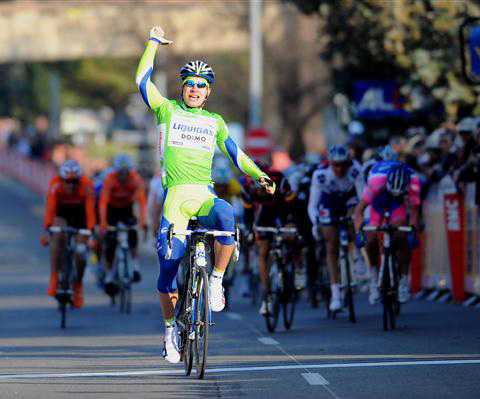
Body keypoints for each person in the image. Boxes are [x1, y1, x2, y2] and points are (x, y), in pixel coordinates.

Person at [135, 26, 275, 364]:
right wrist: (153, 44)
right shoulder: (166, 110)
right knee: (167, 274)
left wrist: (259, 175)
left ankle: (215, 281)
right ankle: (170, 332)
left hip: (203, 195)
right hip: (175, 201)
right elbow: (141, 80)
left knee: (227, 215)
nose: (195, 89)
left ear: (208, 92)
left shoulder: (215, 121)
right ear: (182, 88)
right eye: (190, 84)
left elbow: (235, 153)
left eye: (201, 85)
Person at [353, 161, 421, 305]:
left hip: (398, 203)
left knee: (402, 234)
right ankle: (373, 275)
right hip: (378, 200)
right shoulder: (376, 180)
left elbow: (414, 211)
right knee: (370, 239)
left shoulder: (414, 180)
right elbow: (359, 211)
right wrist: (359, 232)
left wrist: (412, 232)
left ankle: (403, 280)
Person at [241, 160, 300, 315]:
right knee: (263, 250)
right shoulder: (247, 185)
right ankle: (267, 296)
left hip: (283, 209)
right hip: (263, 216)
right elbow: (248, 213)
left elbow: (293, 204)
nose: (259, 190)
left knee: (292, 237)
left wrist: (292, 224)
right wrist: (248, 230)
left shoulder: (278, 178)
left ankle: (296, 270)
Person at [307, 145, 361, 311]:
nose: (339, 169)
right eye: (335, 165)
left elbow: (363, 199)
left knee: (354, 217)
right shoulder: (320, 174)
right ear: (330, 163)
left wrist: (359, 221)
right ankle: (335, 294)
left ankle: (357, 253)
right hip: (329, 200)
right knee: (331, 245)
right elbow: (312, 205)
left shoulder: (355, 170)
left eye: (343, 165)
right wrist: (316, 224)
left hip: (349, 199)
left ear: (348, 164)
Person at [39, 160, 96, 308]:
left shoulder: (86, 185)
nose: (71, 185)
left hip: (80, 216)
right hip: (62, 214)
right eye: (68, 181)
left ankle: (78, 285)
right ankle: (54, 277)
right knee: (56, 235)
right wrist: (48, 229)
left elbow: (90, 211)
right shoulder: (55, 184)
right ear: (62, 179)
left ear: (79, 179)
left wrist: (90, 231)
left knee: (81, 250)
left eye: (74, 181)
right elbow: (50, 208)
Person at [99, 154, 147, 289]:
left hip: (126, 208)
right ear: (116, 171)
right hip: (112, 208)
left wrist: (142, 221)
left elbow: (142, 202)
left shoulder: (135, 179)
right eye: (121, 173)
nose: (123, 176)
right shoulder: (109, 179)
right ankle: (108, 275)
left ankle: (135, 266)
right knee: (111, 241)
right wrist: (103, 222)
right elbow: (103, 202)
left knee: (132, 234)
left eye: (126, 173)